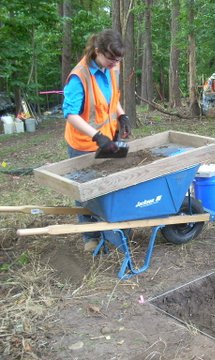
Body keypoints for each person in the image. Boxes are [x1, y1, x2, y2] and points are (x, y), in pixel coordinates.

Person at [62, 29, 131, 252]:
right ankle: (90, 238)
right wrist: (96, 136)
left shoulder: (112, 66)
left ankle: (112, 229)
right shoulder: (79, 77)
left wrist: (121, 115)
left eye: (118, 59)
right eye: (111, 59)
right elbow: (70, 114)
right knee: (86, 191)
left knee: (110, 184)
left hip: (108, 139)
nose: (114, 64)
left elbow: (112, 99)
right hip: (84, 144)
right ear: (98, 51)